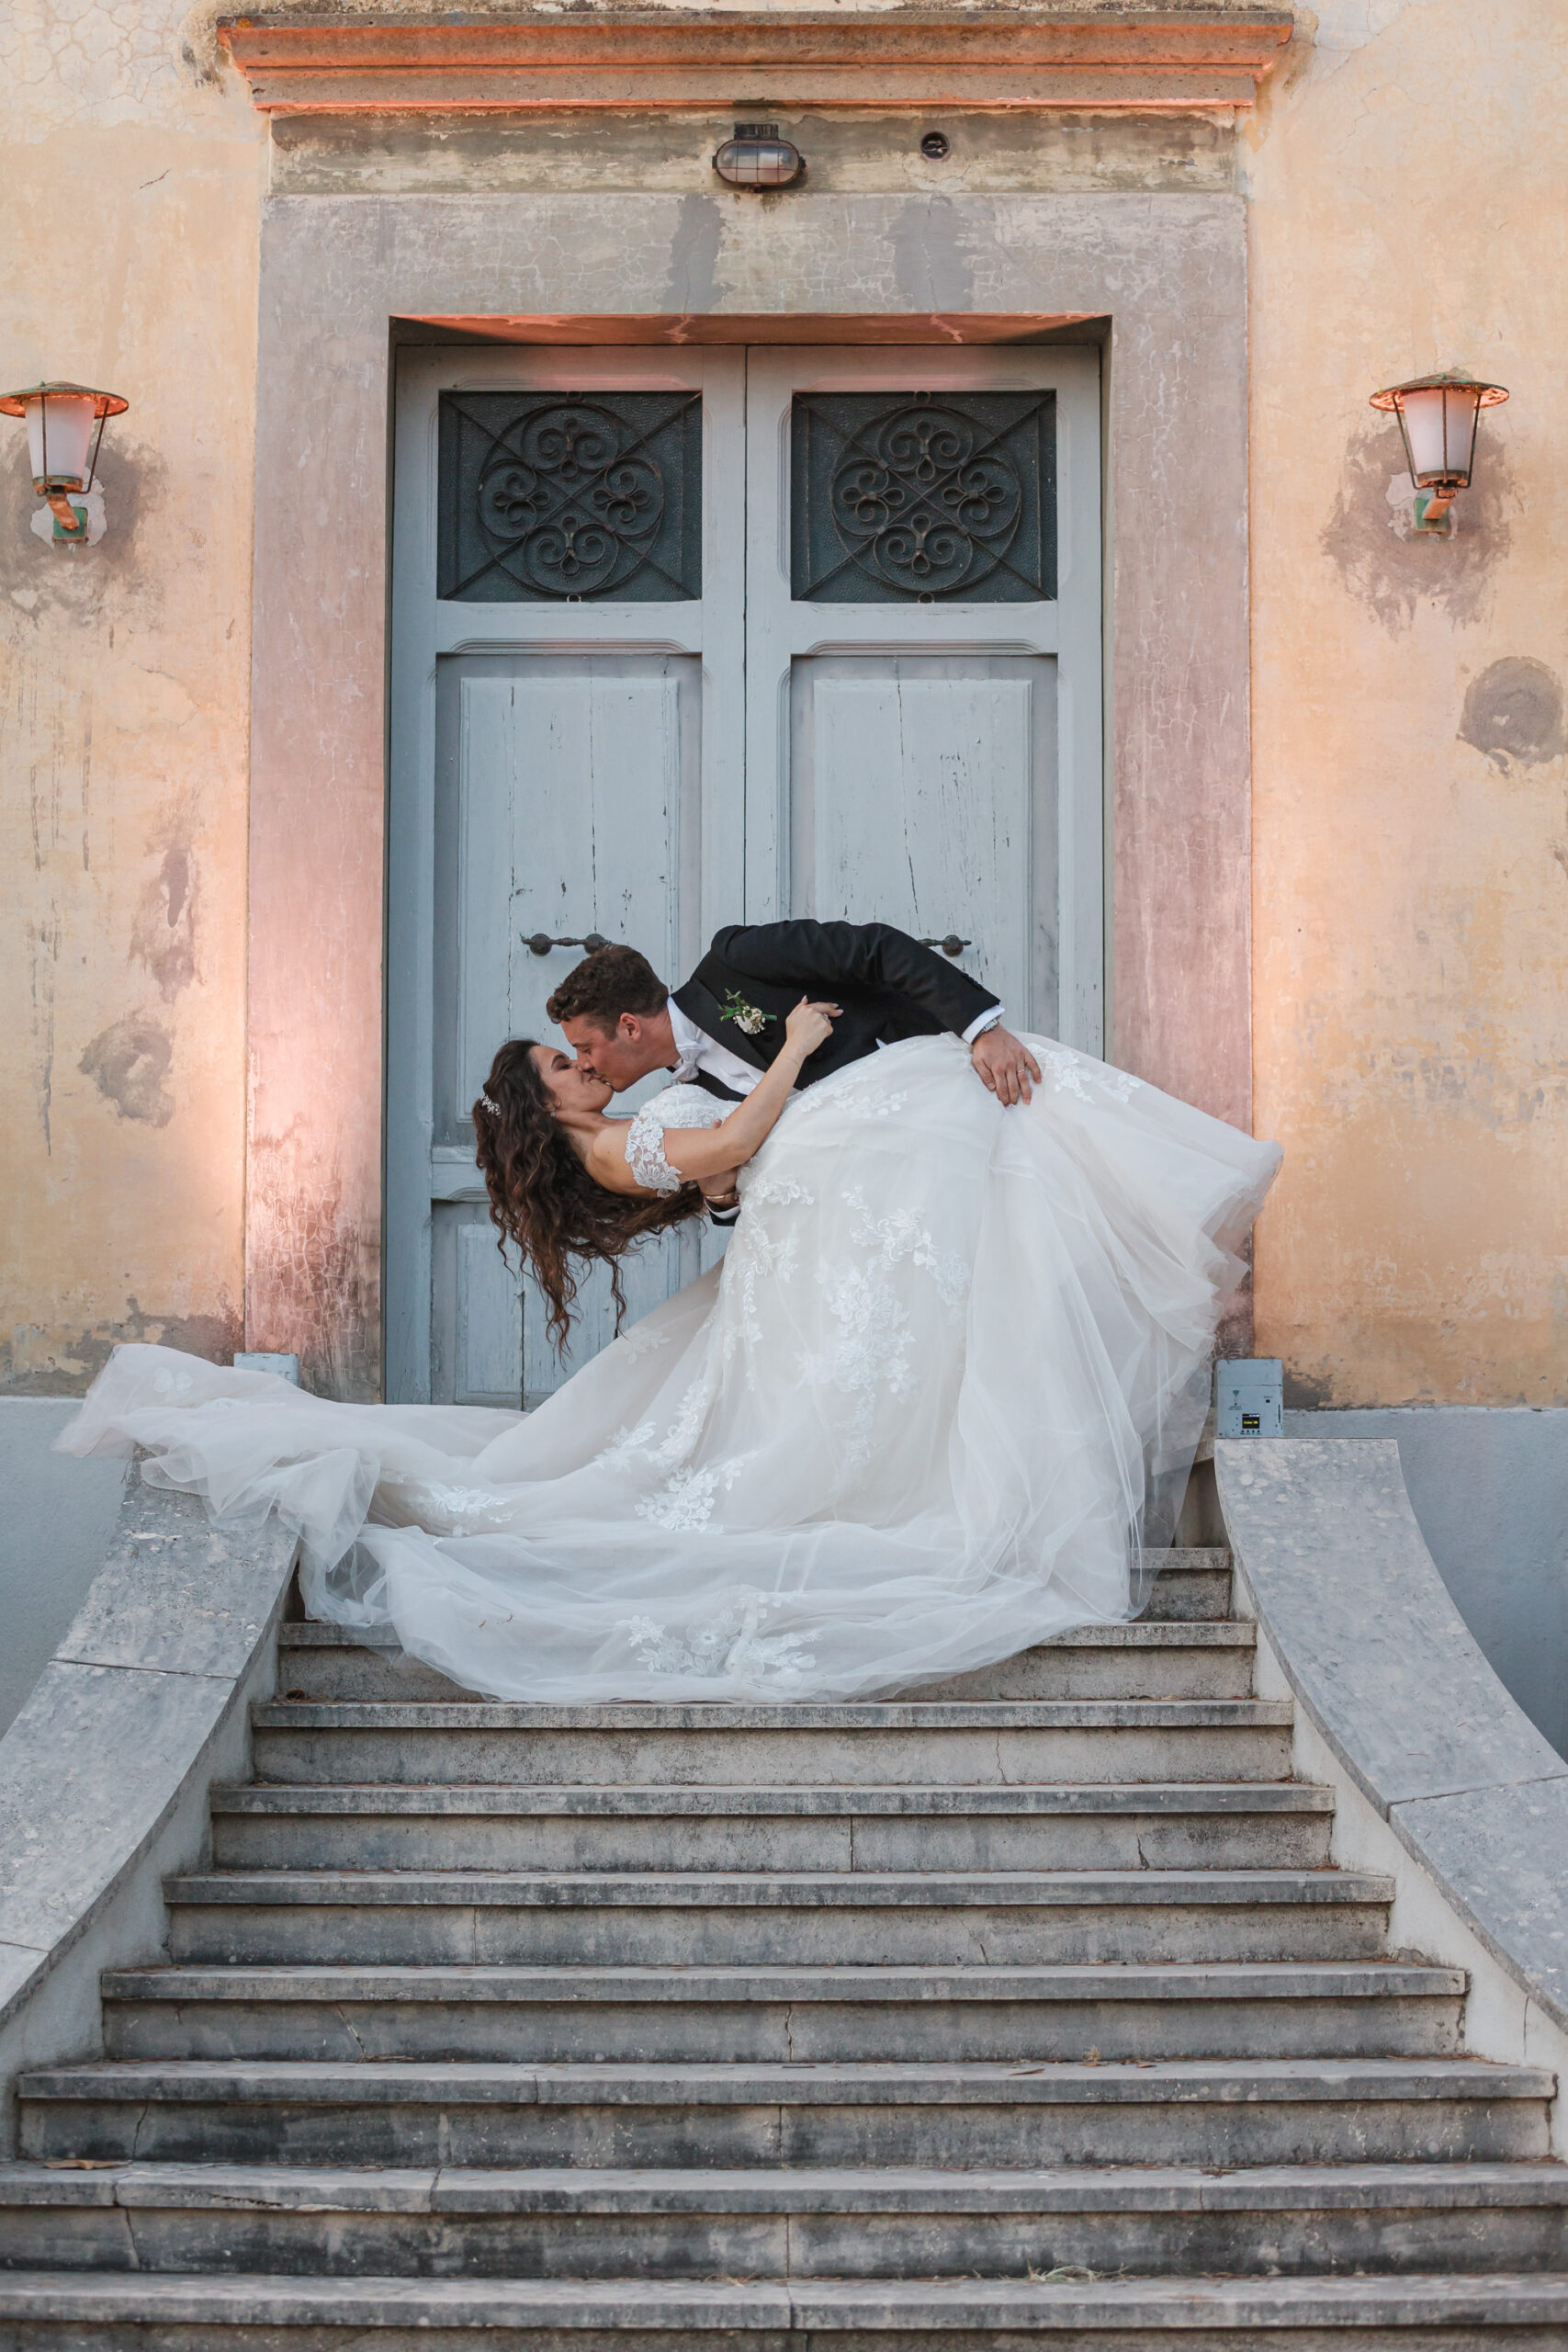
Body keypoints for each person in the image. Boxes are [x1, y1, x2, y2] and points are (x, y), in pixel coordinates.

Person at [59, 927, 1281, 1703]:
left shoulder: (731, 981)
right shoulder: (635, 1124)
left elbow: (866, 963)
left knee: (994, 1254)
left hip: (898, 1162)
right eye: (564, 1064)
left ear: (632, 1024)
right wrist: (792, 1068)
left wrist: (972, 1024)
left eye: (584, 1047)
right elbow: (736, 1143)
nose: (584, 1064)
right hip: (854, 1201)